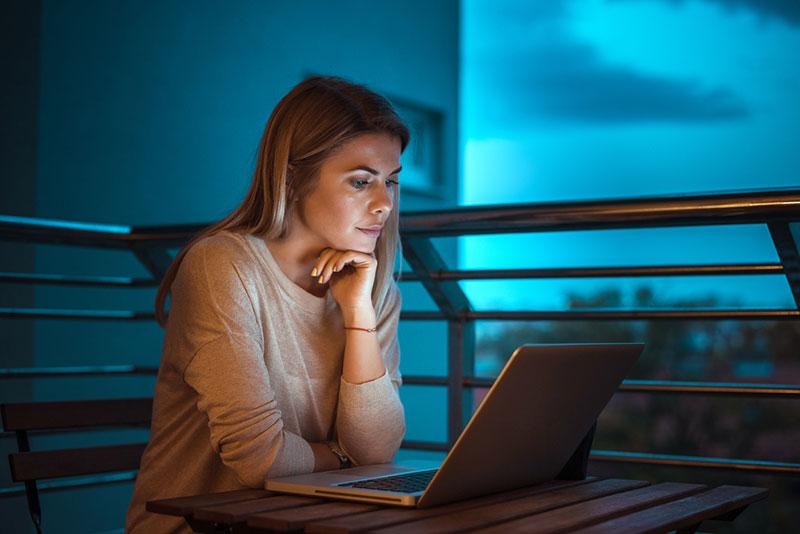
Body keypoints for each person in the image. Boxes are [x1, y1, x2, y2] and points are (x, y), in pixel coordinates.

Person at [125, 76, 409, 533]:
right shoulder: (222, 266)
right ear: (293, 178)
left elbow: (375, 453)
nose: (384, 205)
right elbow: (261, 459)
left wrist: (359, 317)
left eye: (391, 182)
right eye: (361, 182)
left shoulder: (375, 289)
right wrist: (342, 456)